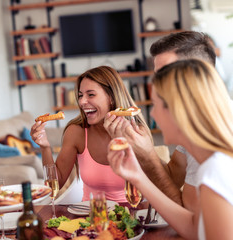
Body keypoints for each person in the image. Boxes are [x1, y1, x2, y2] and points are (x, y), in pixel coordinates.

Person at [107, 59, 233, 239]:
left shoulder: (215, 171)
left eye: (156, 105)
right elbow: (193, 228)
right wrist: (138, 177)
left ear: (177, 111)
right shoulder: (210, 164)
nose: (152, 114)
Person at [121, 31, 217, 212]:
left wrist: (147, 158)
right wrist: (144, 151)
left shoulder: (212, 132)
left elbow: (189, 216)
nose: (157, 84)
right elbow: (173, 178)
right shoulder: (193, 124)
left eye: (166, 74)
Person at [30, 66, 152, 202]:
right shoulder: (76, 132)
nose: (82, 102)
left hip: (131, 216)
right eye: (81, 95)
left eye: (91, 94)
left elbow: (151, 186)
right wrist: (45, 147)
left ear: (111, 97)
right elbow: (54, 187)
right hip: (90, 216)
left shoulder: (137, 132)